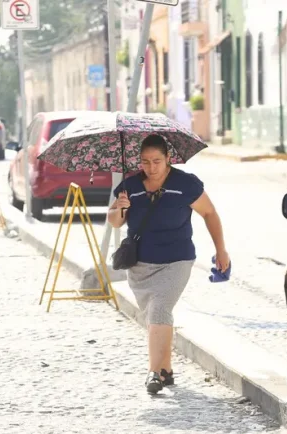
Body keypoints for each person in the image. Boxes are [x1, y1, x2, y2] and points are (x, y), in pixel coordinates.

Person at [107, 133, 230, 395]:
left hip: (177, 260)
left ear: (169, 159)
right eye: (145, 162)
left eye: (157, 161)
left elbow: (209, 213)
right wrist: (120, 207)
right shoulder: (130, 187)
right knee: (154, 315)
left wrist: (221, 250)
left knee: (160, 309)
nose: (151, 168)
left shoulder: (186, 184)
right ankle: (166, 371)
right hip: (140, 263)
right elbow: (115, 222)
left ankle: (153, 372)